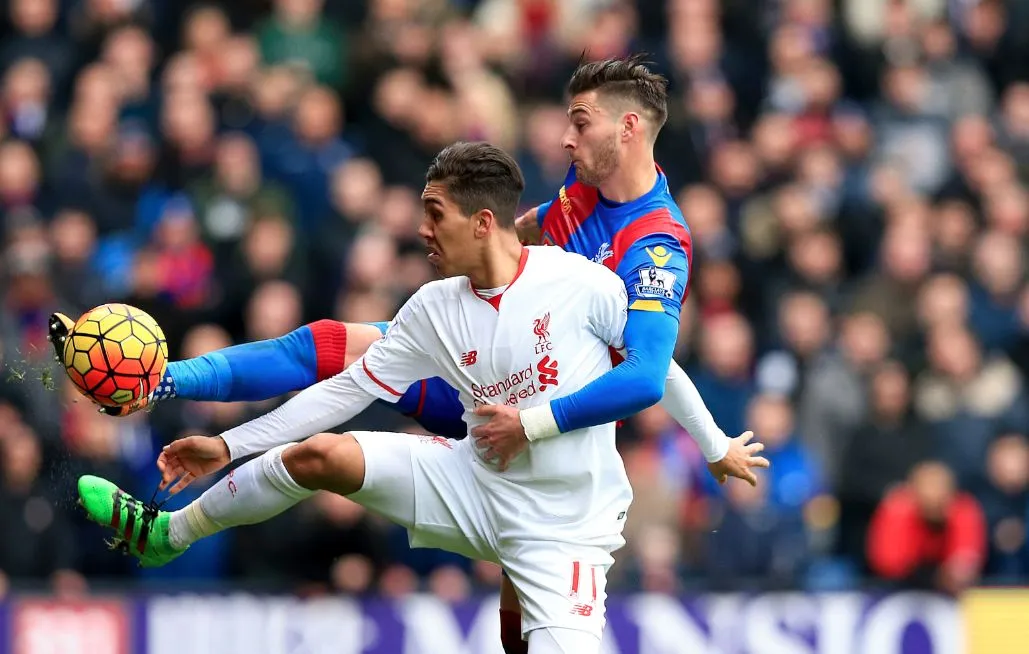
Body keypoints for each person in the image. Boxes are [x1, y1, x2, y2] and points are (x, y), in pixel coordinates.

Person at [52, 55, 761, 653]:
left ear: (628, 128)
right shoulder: (580, 197)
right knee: (337, 354)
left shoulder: (653, 247)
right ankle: (155, 394)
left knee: (520, 613)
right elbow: (521, 231)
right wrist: (481, 254)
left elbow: (648, 370)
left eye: (579, 121)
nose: (565, 138)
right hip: (483, 400)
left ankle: (152, 386)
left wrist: (709, 442)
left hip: (554, 450)